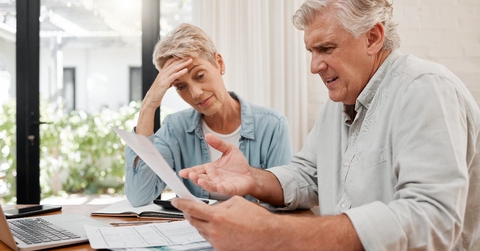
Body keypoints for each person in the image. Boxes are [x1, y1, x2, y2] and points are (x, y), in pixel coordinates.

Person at [171, 0, 480, 250]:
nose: (314, 66)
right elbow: (308, 176)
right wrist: (251, 178)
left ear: (373, 37)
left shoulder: (425, 90)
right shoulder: (339, 100)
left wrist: (279, 232)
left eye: (326, 49)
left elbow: (431, 220)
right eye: (311, 51)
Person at [124, 23, 293, 207]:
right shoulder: (175, 128)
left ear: (219, 63)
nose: (195, 93)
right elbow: (138, 195)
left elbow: (280, 201)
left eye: (200, 75)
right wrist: (149, 105)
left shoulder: (272, 125)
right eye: (181, 86)